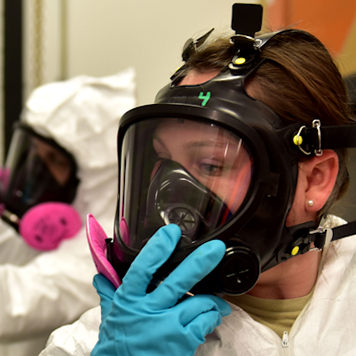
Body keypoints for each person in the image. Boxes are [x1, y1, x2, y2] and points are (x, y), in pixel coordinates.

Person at [40, 3, 356, 356]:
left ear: (314, 180)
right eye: (161, 161)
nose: (170, 192)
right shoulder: (100, 340)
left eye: (209, 163)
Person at [0, 68, 135, 356]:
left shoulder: (98, 258)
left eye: (53, 160)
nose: (34, 171)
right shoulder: (34, 222)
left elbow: (15, 300)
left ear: (90, 178)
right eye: (34, 152)